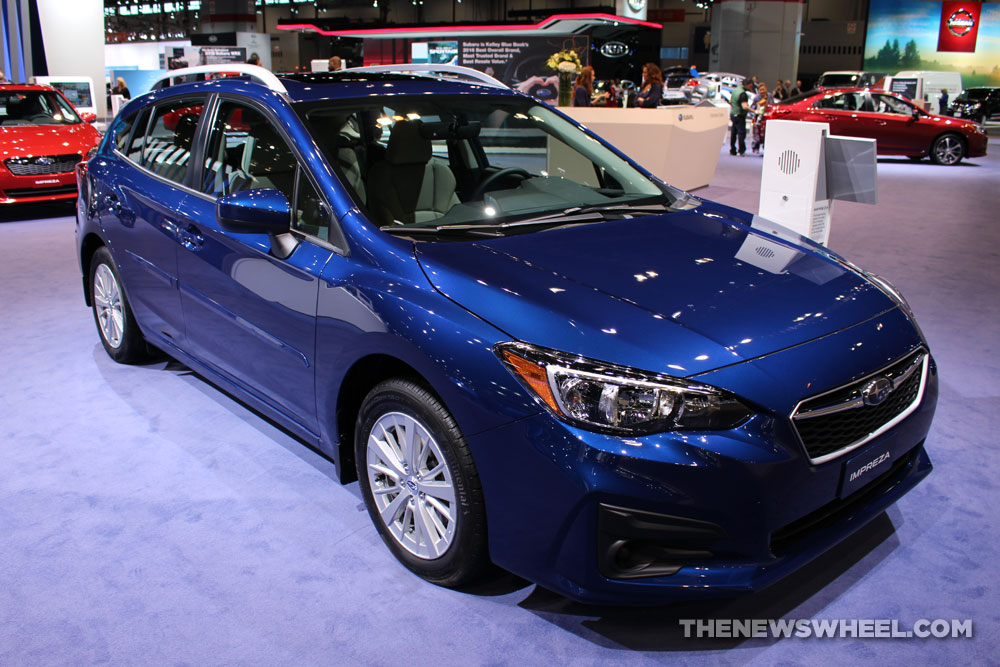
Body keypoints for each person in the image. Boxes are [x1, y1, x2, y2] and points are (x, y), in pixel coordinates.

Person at [730, 78, 750, 156]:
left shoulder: (735, 90)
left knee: (733, 133)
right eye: (750, 86)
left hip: (733, 114)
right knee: (741, 133)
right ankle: (741, 150)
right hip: (739, 115)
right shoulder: (743, 93)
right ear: (747, 84)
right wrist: (754, 111)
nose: (750, 88)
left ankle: (732, 150)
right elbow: (744, 106)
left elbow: (731, 101)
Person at [751, 82, 773, 154]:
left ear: (766, 89)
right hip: (758, 118)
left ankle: (766, 148)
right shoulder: (756, 98)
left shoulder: (770, 96)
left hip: (768, 117)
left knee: (767, 134)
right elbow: (752, 107)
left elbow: (772, 105)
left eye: (763, 89)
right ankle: (755, 148)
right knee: (757, 134)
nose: (762, 91)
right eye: (760, 90)